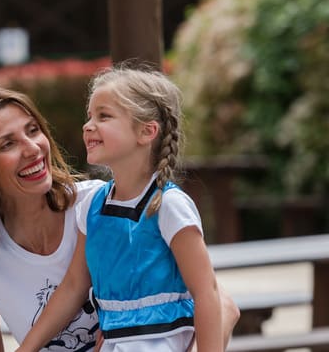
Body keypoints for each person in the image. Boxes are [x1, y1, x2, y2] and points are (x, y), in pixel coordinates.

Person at [0, 85, 238, 352]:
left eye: (32, 130)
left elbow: (220, 303)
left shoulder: (102, 203)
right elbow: (72, 287)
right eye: (7, 144)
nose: (32, 149)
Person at [18, 67, 222, 352]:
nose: (88, 125)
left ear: (146, 131)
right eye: (89, 116)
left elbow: (207, 292)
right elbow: (74, 285)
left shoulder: (168, 205)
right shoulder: (92, 206)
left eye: (104, 116)